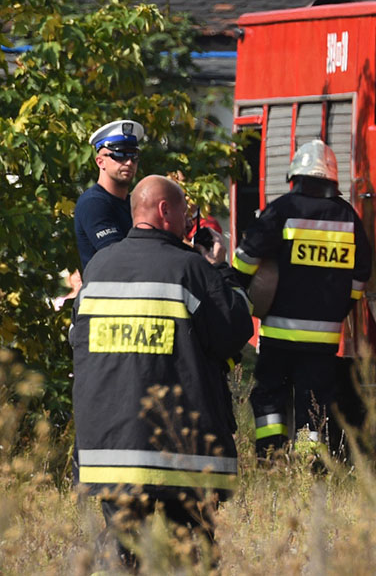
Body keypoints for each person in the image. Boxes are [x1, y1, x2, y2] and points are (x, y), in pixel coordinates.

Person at [70, 175, 253, 571]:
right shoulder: (190, 269)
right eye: (185, 211)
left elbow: (77, 343)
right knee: (189, 559)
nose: (189, 220)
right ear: (163, 210)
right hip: (178, 453)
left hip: (109, 452)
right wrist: (220, 270)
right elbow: (233, 332)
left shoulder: (98, 269)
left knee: (120, 558)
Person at [231, 139, 371, 460]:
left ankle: (271, 457)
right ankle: (307, 462)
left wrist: (241, 290)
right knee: (313, 404)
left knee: (269, 397)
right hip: (323, 339)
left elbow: (246, 258)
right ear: (332, 180)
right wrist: (339, 309)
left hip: (279, 334)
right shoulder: (349, 218)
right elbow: (361, 276)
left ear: (295, 177)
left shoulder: (282, 210)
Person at [74, 119, 145, 270]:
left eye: (134, 156)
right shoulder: (93, 203)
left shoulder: (133, 203)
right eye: (119, 155)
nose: (129, 163)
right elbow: (119, 257)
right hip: (104, 292)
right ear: (100, 162)